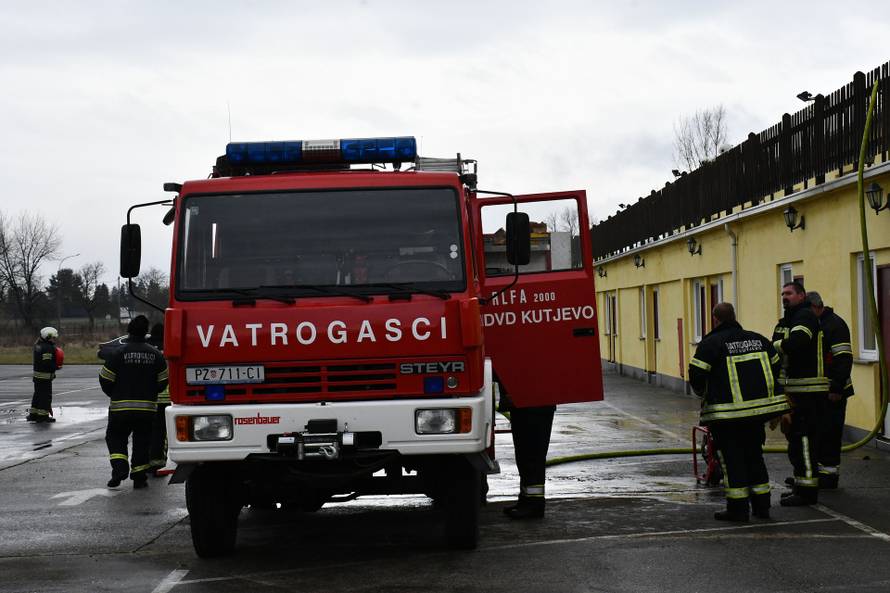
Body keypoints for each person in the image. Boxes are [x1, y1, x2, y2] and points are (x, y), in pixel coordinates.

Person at [688, 303, 789, 522]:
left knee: (732, 461)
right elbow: (776, 365)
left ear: (716, 319)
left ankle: (738, 509)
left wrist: (704, 393)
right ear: (734, 316)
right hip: (756, 415)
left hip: (727, 417)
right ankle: (763, 507)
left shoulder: (711, 343)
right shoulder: (759, 339)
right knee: (754, 457)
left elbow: (696, 374)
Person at [772, 281, 829, 506]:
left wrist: (773, 346)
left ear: (801, 296)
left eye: (789, 293)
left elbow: (798, 342)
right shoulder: (788, 319)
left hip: (808, 391)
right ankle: (800, 484)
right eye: (782, 293)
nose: (784, 297)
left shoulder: (804, 317)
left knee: (804, 440)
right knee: (795, 441)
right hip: (794, 390)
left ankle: (807, 492)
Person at [98, 315, 168, 489]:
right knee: (142, 442)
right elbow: (163, 380)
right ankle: (139, 477)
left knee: (115, 437)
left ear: (129, 330)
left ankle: (120, 468)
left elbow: (105, 378)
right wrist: (151, 393)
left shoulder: (118, 353)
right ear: (146, 332)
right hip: (147, 409)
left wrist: (113, 394)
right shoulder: (155, 354)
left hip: (120, 408)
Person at [808, 291, 854, 489]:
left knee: (830, 433)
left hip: (834, 391)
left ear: (816, 307)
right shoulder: (817, 324)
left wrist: (836, 388)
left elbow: (843, 358)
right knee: (818, 433)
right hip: (820, 391)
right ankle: (816, 474)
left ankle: (829, 476)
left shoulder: (834, 325)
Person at [499, 381, 556, 520]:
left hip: (535, 405)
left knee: (532, 458)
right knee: (524, 456)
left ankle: (534, 505)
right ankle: (525, 500)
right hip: (523, 403)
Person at [147, 323, 170, 476]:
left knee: (148, 430)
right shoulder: (169, 346)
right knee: (163, 432)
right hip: (167, 396)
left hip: (148, 397)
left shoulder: (146, 348)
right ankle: (158, 462)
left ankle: (145, 461)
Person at [27, 327, 60, 423]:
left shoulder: (38, 345)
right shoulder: (47, 348)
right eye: (53, 337)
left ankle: (33, 415)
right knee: (45, 397)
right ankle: (43, 416)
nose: (54, 339)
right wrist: (56, 366)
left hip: (37, 376)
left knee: (37, 395)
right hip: (44, 377)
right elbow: (47, 363)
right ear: (48, 337)